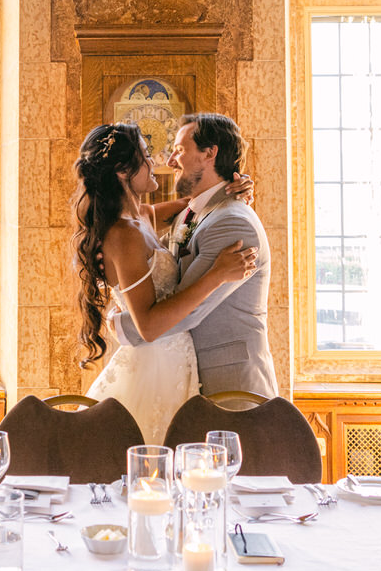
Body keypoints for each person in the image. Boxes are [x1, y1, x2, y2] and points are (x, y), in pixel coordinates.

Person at [73, 122, 257, 444]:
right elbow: (147, 326)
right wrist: (217, 274)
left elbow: (199, 208)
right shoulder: (124, 235)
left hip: (176, 361)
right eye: (146, 156)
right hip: (153, 367)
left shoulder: (143, 217)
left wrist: (238, 189)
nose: (156, 162)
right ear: (122, 171)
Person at [111, 112, 279, 398]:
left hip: (229, 386)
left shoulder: (232, 221)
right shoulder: (189, 213)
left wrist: (120, 325)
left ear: (209, 153)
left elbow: (187, 313)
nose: (169, 161)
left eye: (178, 150)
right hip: (183, 379)